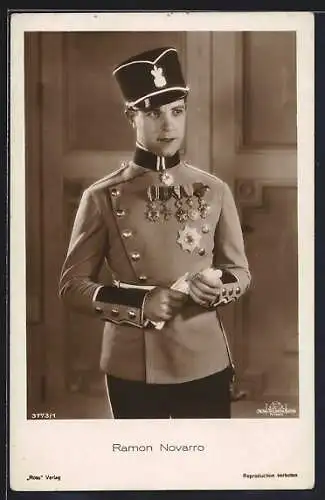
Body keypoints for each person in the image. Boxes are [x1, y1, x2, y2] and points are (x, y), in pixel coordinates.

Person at [59, 46, 251, 419]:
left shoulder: (214, 190)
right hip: (134, 363)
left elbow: (240, 272)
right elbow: (72, 287)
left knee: (206, 469)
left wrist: (218, 284)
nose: (168, 125)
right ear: (132, 117)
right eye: (153, 113)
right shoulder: (101, 197)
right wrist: (139, 304)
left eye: (177, 111)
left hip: (203, 358)